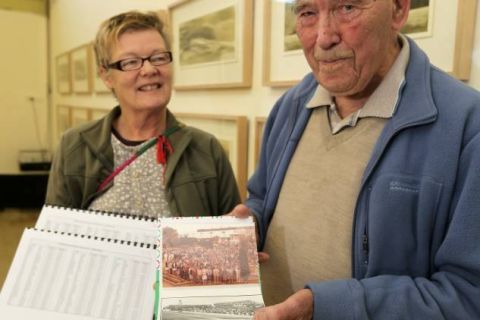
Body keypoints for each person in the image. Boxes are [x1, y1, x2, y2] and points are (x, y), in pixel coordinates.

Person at [230, 0, 480, 319]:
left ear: (399, 10)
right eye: (307, 13)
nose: (323, 37)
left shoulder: (467, 125)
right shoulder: (290, 106)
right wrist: (253, 220)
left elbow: (468, 295)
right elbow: (264, 198)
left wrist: (326, 308)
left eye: (347, 7)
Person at [46, 11, 241, 218]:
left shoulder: (206, 149)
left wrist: (241, 242)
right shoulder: (75, 146)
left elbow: (230, 240)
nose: (149, 69)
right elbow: (54, 239)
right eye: (130, 62)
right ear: (106, 75)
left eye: (158, 57)